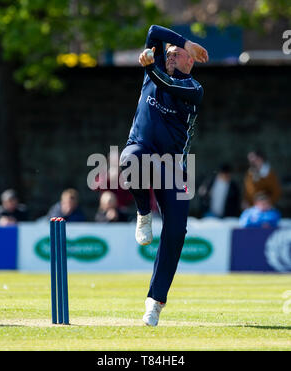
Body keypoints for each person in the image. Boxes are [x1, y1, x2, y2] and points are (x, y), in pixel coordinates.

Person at [119, 25, 208, 326]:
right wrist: (186, 41)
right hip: (141, 149)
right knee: (129, 160)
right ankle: (144, 212)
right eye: (167, 52)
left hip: (173, 166)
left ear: (189, 61)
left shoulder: (193, 89)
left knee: (176, 231)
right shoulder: (154, 66)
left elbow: (169, 87)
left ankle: (154, 302)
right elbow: (154, 30)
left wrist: (149, 68)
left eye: (176, 53)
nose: (169, 54)